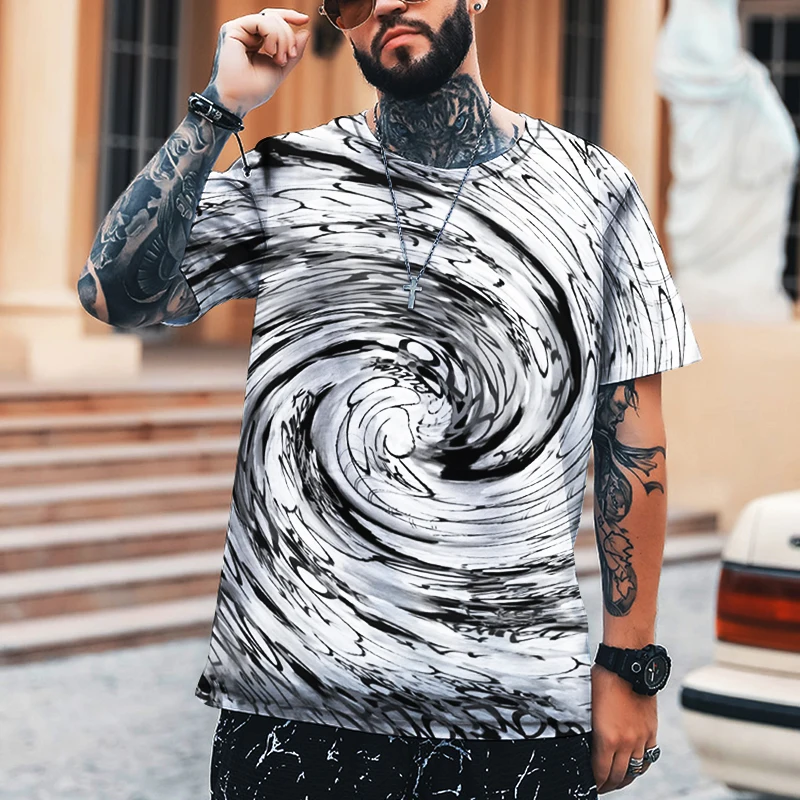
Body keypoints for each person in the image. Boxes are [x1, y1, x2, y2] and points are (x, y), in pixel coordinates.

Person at [77, 1, 702, 797]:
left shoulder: (594, 191)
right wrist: (217, 108)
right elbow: (115, 295)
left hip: (511, 715)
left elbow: (633, 438)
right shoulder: (288, 176)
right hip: (295, 713)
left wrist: (631, 660)